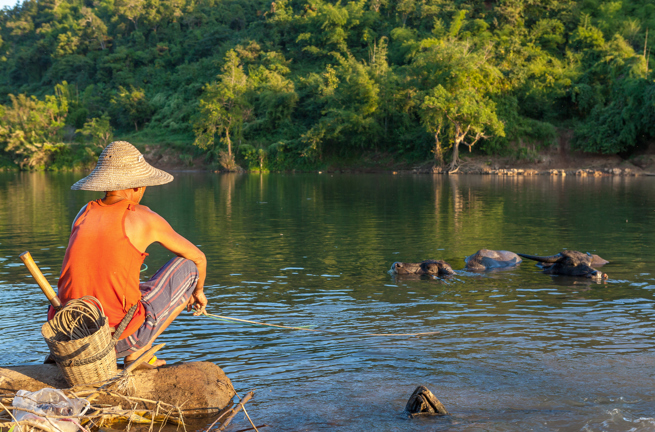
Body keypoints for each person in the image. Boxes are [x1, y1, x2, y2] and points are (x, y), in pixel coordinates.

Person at [49, 141, 208, 367]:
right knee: (190, 269)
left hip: (69, 334)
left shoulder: (83, 213)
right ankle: (137, 353)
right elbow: (199, 258)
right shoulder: (144, 217)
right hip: (116, 340)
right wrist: (198, 292)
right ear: (137, 186)